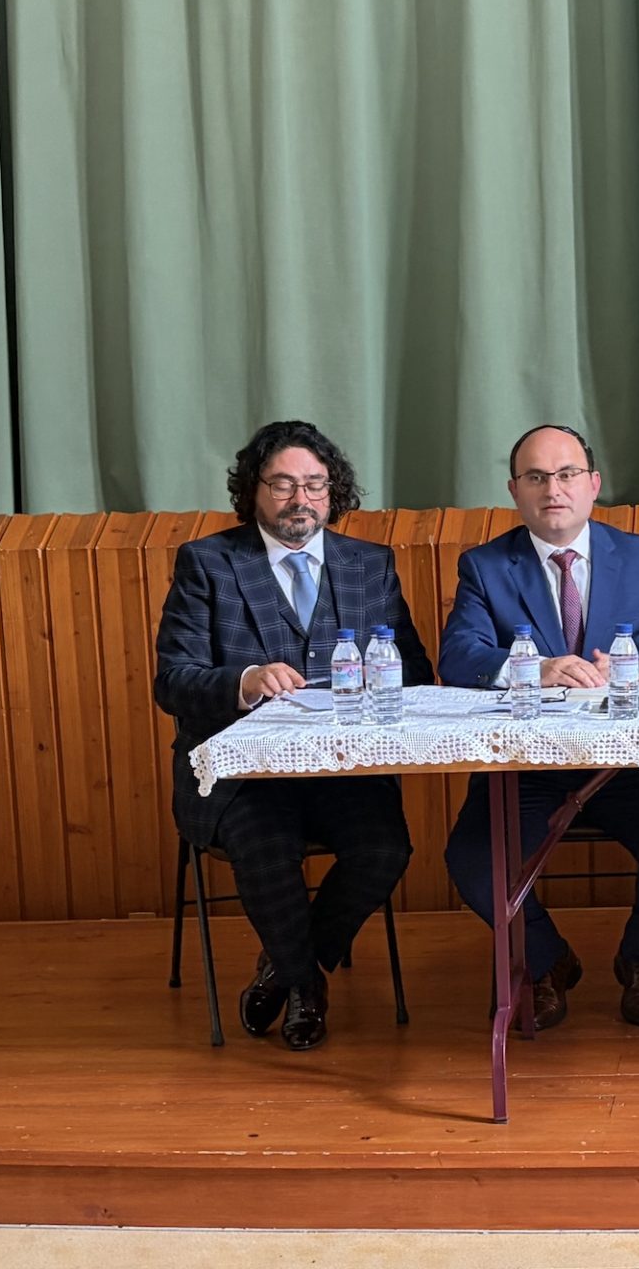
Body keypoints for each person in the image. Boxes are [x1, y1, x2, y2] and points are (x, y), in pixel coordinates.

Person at [154, 420, 434, 1051]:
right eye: (282, 484)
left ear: (334, 492)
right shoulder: (209, 563)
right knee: (268, 848)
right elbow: (172, 681)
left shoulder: (370, 564)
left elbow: (415, 671)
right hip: (243, 777)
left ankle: (285, 968)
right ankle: (307, 988)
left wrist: (376, 676)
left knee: (385, 849)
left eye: (315, 484)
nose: (300, 499)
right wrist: (245, 680)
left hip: (343, 770)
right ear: (253, 490)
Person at [438, 424, 639, 1030]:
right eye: (536, 477)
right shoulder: (485, 566)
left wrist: (636, 669)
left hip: (628, 763)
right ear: (515, 490)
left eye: (566, 475)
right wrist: (531, 668)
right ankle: (547, 961)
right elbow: (458, 655)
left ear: (593, 484)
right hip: (526, 767)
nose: (552, 489)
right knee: (473, 860)